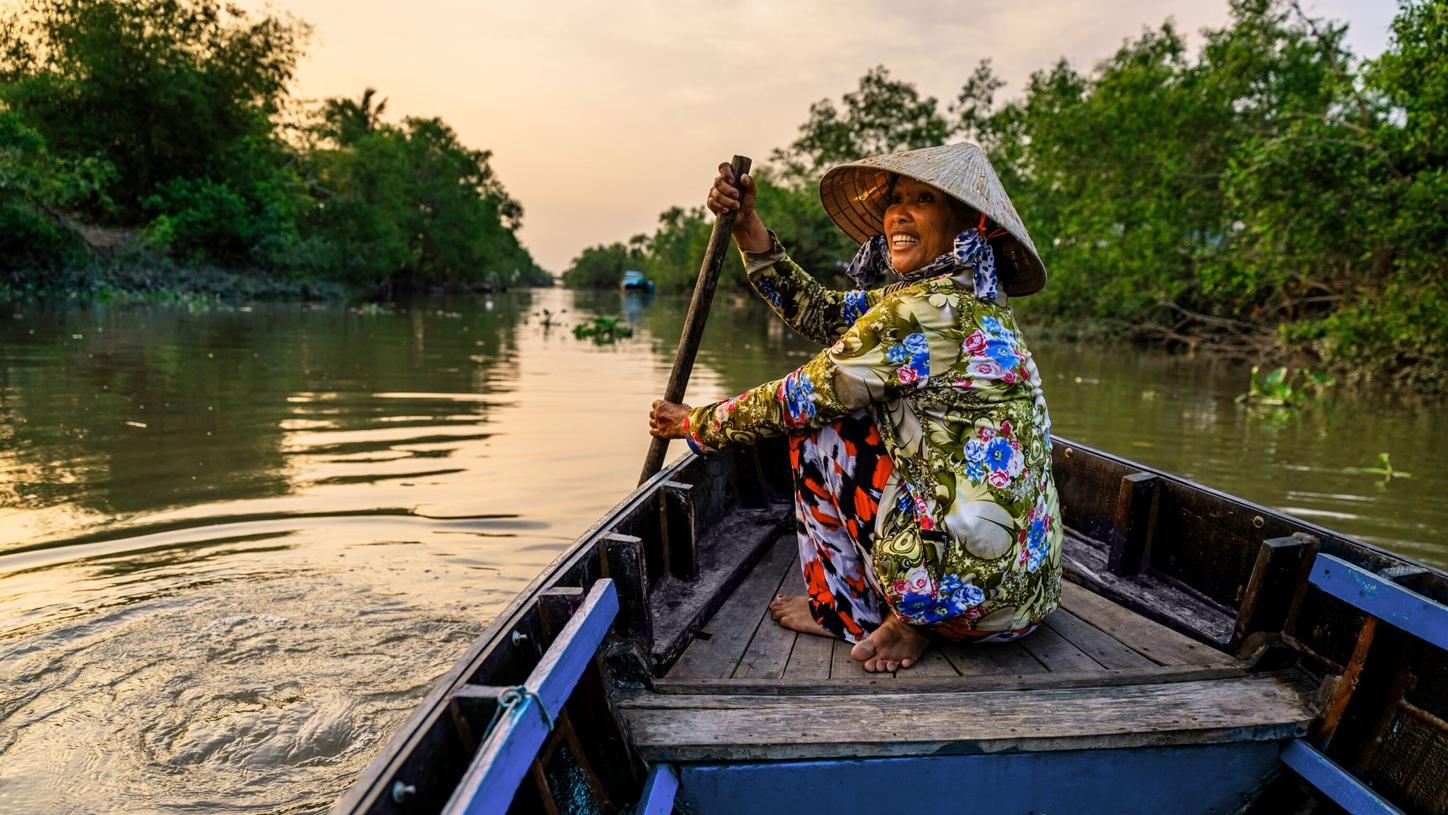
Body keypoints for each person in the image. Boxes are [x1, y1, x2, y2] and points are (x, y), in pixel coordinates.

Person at [648, 142, 1062, 673]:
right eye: (895, 200)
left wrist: (696, 424)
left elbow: (796, 399)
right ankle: (910, 610)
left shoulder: (921, 312)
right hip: (1023, 601)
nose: (899, 214)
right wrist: (750, 228)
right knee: (855, 414)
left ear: (968, 227)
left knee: (821, 428)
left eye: (924, 200)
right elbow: (822, 314)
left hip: (968, 606)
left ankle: (850, 610)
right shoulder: (970, 302)